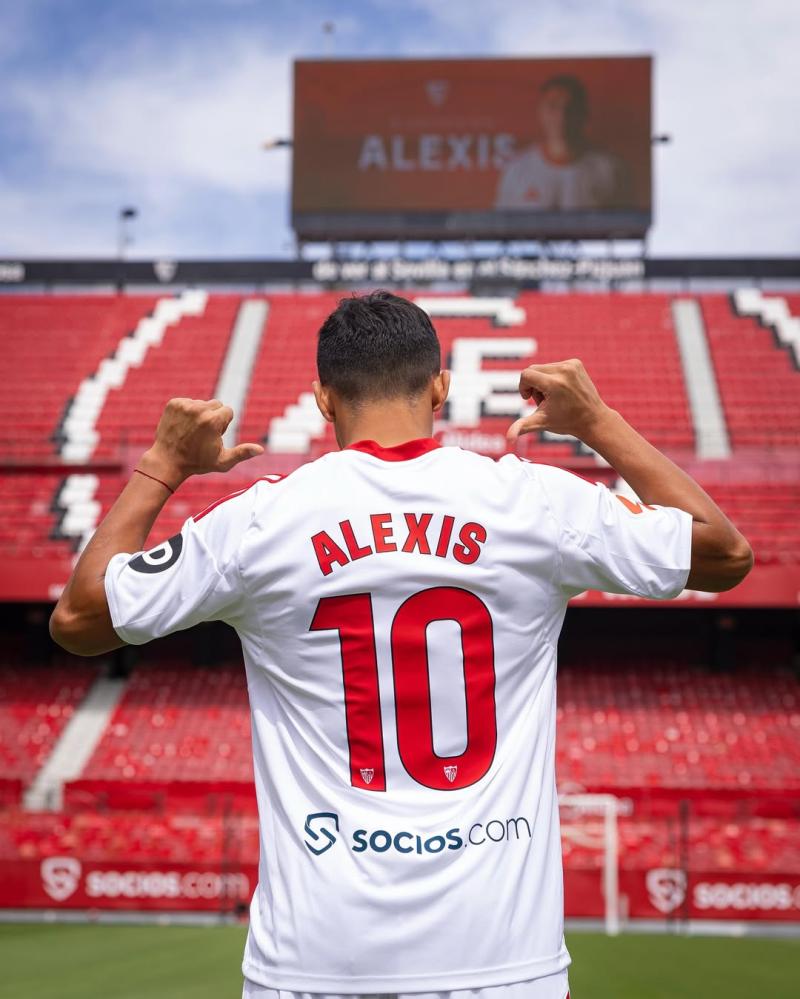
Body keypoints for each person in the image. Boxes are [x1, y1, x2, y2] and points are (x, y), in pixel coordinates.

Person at [51, 292, 752, 999]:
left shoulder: (260, 521)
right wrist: (597, 422)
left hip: (315, 962)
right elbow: (724, 555)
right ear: (440, 388)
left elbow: (79, 619)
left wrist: (164, 464)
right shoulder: (536, 501)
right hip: (504, 961)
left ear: (323, 399)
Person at [495, 75, 631, 211]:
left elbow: (628, 222)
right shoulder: (517, 170)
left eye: (571, 108)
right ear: (541, 111)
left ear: (584, 113)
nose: (561, 116)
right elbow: (503, 223)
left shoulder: (611, 170)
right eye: (553, 106)